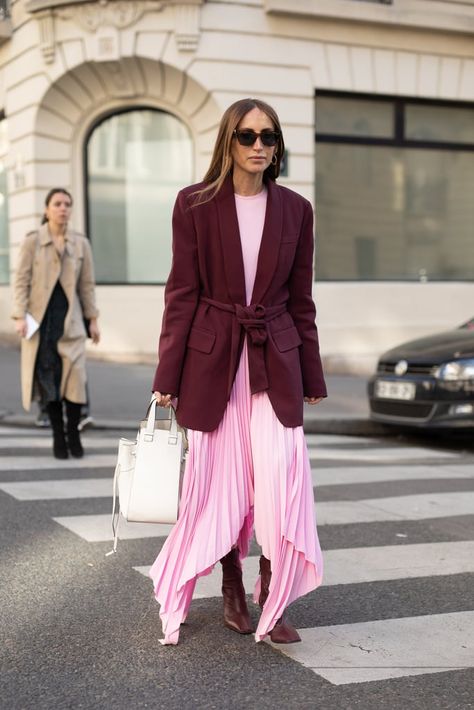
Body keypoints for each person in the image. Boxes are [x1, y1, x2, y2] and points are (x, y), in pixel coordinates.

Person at [150, 98, 327, 646]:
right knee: (223, 481)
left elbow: (302, 300)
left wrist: (313, 375)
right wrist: (168, 375)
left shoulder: (296, 210)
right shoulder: (194, 204)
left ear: (278, 146)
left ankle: (272, 587)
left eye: (268, 137)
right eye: (247, 136)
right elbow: (181, 293)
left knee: (280, 478)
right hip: (213, 359)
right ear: (228, 140)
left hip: (276, 355)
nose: (258, 146)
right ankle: (230, 578)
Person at [12, 188, 100, 459]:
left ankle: (73, 433)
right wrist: (19, 316)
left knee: (74, 380)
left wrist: (92, 319)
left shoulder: (80, 243)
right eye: (58, 204)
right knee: (50, 382)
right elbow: (21, 281)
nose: (63, 208)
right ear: (47, 209)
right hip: (42, 323)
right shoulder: (33, 242)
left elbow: (87, 285)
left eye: (67, 204)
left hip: (71, 322)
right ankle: (58, 437)